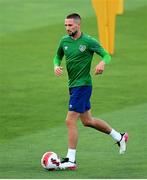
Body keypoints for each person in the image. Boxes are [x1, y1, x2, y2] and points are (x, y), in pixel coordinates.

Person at [53, 13, 128, 170]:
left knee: (70, 120)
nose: (67, 28)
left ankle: (71, 160)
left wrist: (102, 63)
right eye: (65, 25)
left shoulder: (88, 41)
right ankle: (119, 137)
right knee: (88, 121)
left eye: (70, 25)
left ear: (78, 25)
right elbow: (57, 56)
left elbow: (106, 55)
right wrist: (56, 65)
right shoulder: (64, 40)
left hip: (83, 85)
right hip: (73, 85)